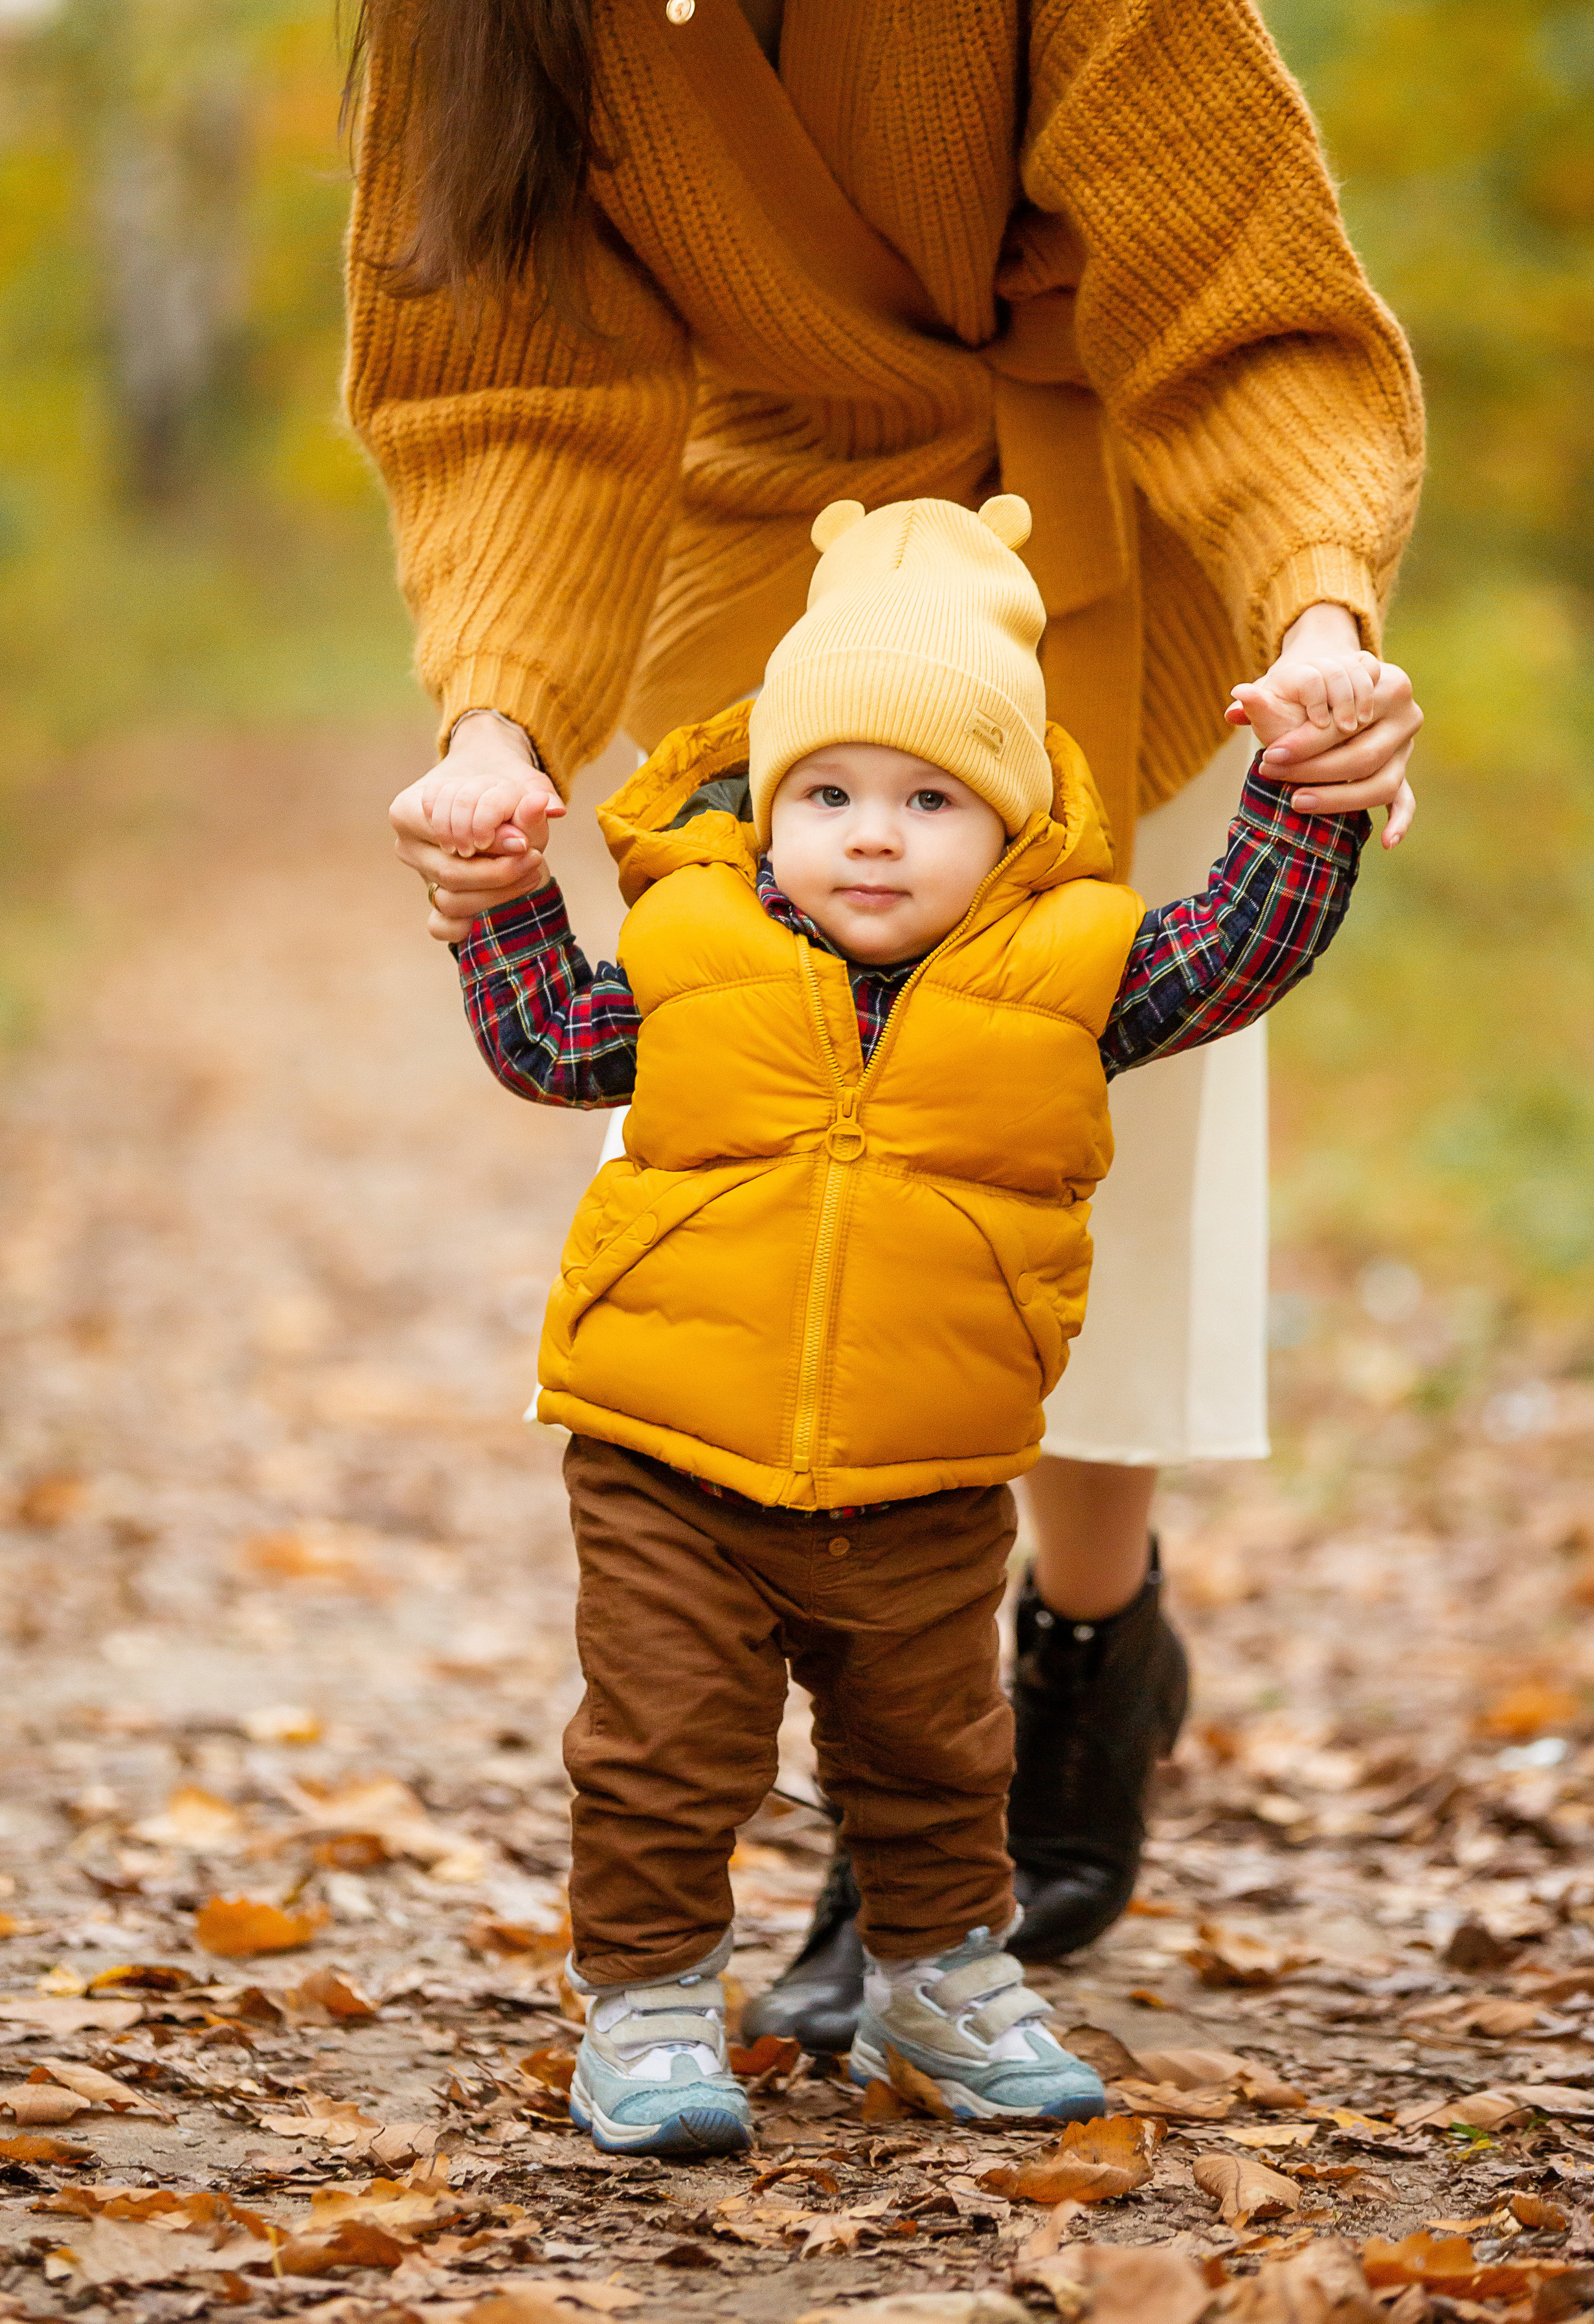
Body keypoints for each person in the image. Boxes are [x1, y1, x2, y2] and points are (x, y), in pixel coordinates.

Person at [350, 0, 1425, 2044]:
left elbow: (1240, 281)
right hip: (779, 606)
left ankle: (1085, 1649)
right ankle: (898, 1818)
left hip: (1128, 538)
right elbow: (507, 382)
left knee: (1098, 1144)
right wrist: (500, 728)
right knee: (770, 1189)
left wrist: (1317, 616)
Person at [432, 493, 1373, 2154]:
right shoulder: (690, 942)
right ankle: (648, 2004)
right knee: (660, 1749)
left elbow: (1242, 946)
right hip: (667, 1454)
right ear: (767, 802)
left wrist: (1302, 788)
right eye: (829, 792)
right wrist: (498, 898)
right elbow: (546, 1041)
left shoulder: (1070, 974)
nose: (872, 834)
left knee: (935, 1755)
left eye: (930, 797)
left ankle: (937, 1984)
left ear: (1007, 821)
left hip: (926, 1470)